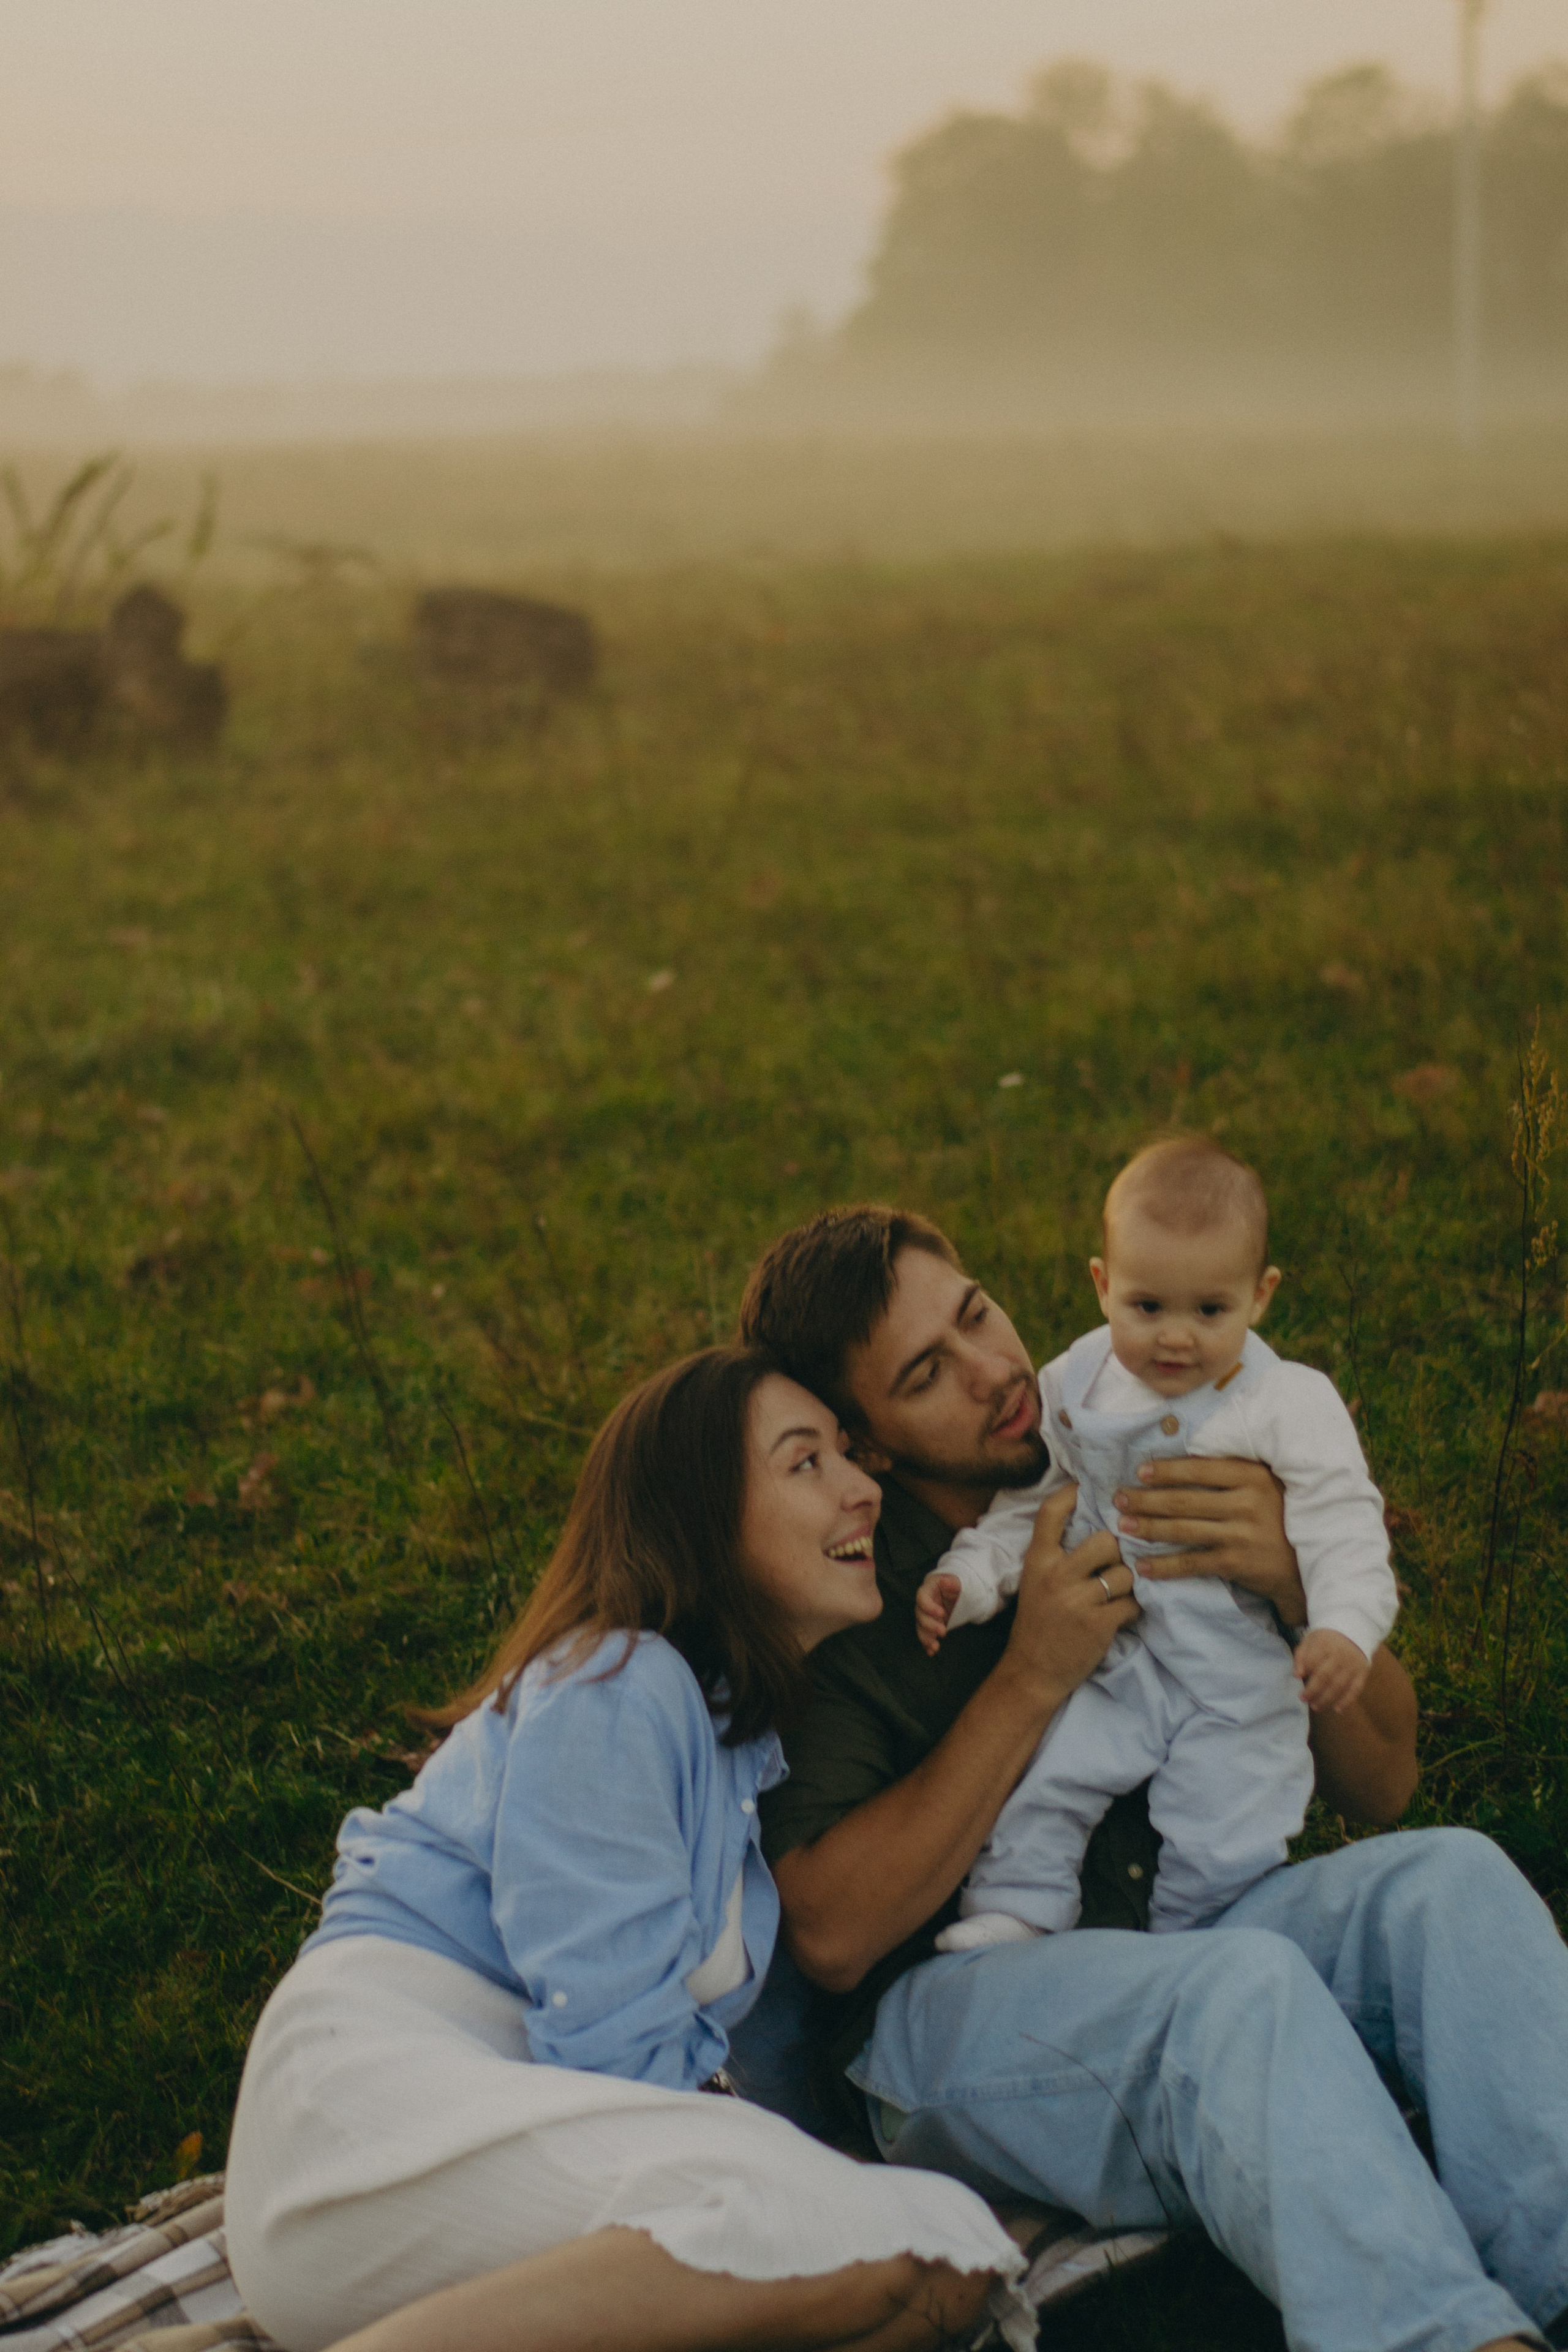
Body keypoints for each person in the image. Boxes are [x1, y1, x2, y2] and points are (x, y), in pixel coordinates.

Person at [737, 1204, 1568, 2352]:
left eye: (977, 1314)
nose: (993, 1371)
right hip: (942, 2029)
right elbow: (829, 1937)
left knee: (1452, 1884)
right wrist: (1030, 1678)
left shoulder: (1133, 1448)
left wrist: (1295, 1586)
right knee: (1237, 1993)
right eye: (927, 1375)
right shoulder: (853, 1588)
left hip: (1177, 1933)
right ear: (867, 1443)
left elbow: (1385, 1785)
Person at [224, 1346, 1035, 2352]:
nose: (863, 1489)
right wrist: (781, 2175)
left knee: (945, 2267)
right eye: (806, 1462)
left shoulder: (735, 1755)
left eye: (845, 1454)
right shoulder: (617, 1684)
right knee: (856, 2233)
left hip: (492, 2138)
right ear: (703, 1520)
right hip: (370, 2111)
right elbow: (609, 2046)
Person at [914, 1137, 1398, 1948]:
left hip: (1234, 1668)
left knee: (1227, 1817)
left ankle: (1197, 1939)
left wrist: (1342, 1624)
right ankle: (1019, 1908)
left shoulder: (1284, 1400)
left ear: (1261, 1296)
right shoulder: (1076, 1384)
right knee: (1052, 1774)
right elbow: (1030, 1503)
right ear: (1103, 1285)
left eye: (1210, 1311)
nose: (1177, 1338)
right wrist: (973, 1575)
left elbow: (1343, 1520)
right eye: (1147, 1308)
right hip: (1121, 1661)